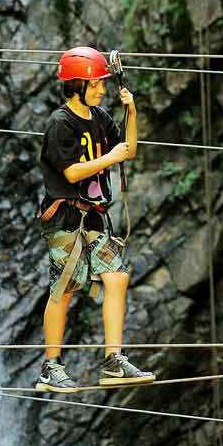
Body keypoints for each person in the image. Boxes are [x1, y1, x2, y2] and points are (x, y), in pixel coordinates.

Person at [35, 46, 154, 392]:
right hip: (67, 218)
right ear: (77, 85)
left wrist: (131, 112)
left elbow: (128, 150)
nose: (102, 89)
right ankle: (51, 366)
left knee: (116, 279)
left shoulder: (99, 118)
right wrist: (110, 158)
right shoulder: (61, 124)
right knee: (65, 287)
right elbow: (72, 173)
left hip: (95, 217)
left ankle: (113, 360)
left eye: (103, 83)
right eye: (96, 84)